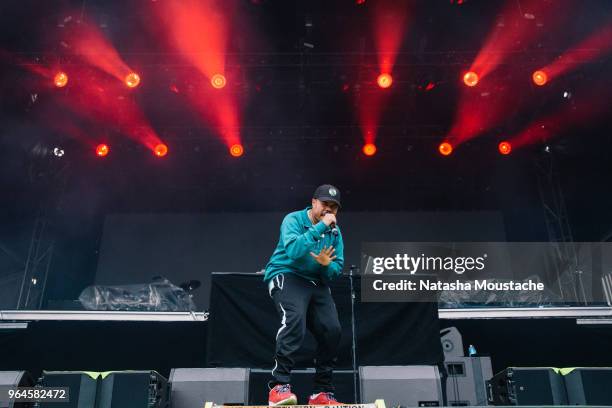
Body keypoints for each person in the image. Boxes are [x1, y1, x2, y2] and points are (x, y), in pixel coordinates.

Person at [264, 184, 345, 406]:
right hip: (287, 274)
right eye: (325, 205)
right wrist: (320, 228)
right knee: (294, 320)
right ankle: (279, 386)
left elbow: (336, 269)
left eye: (334, 208)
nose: (329, 211)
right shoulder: (294, 220)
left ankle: (321, 392)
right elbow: (294, 252)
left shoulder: (335, 233)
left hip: (315, 281)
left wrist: (327, 265)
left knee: (332, 330)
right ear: (313, 203)